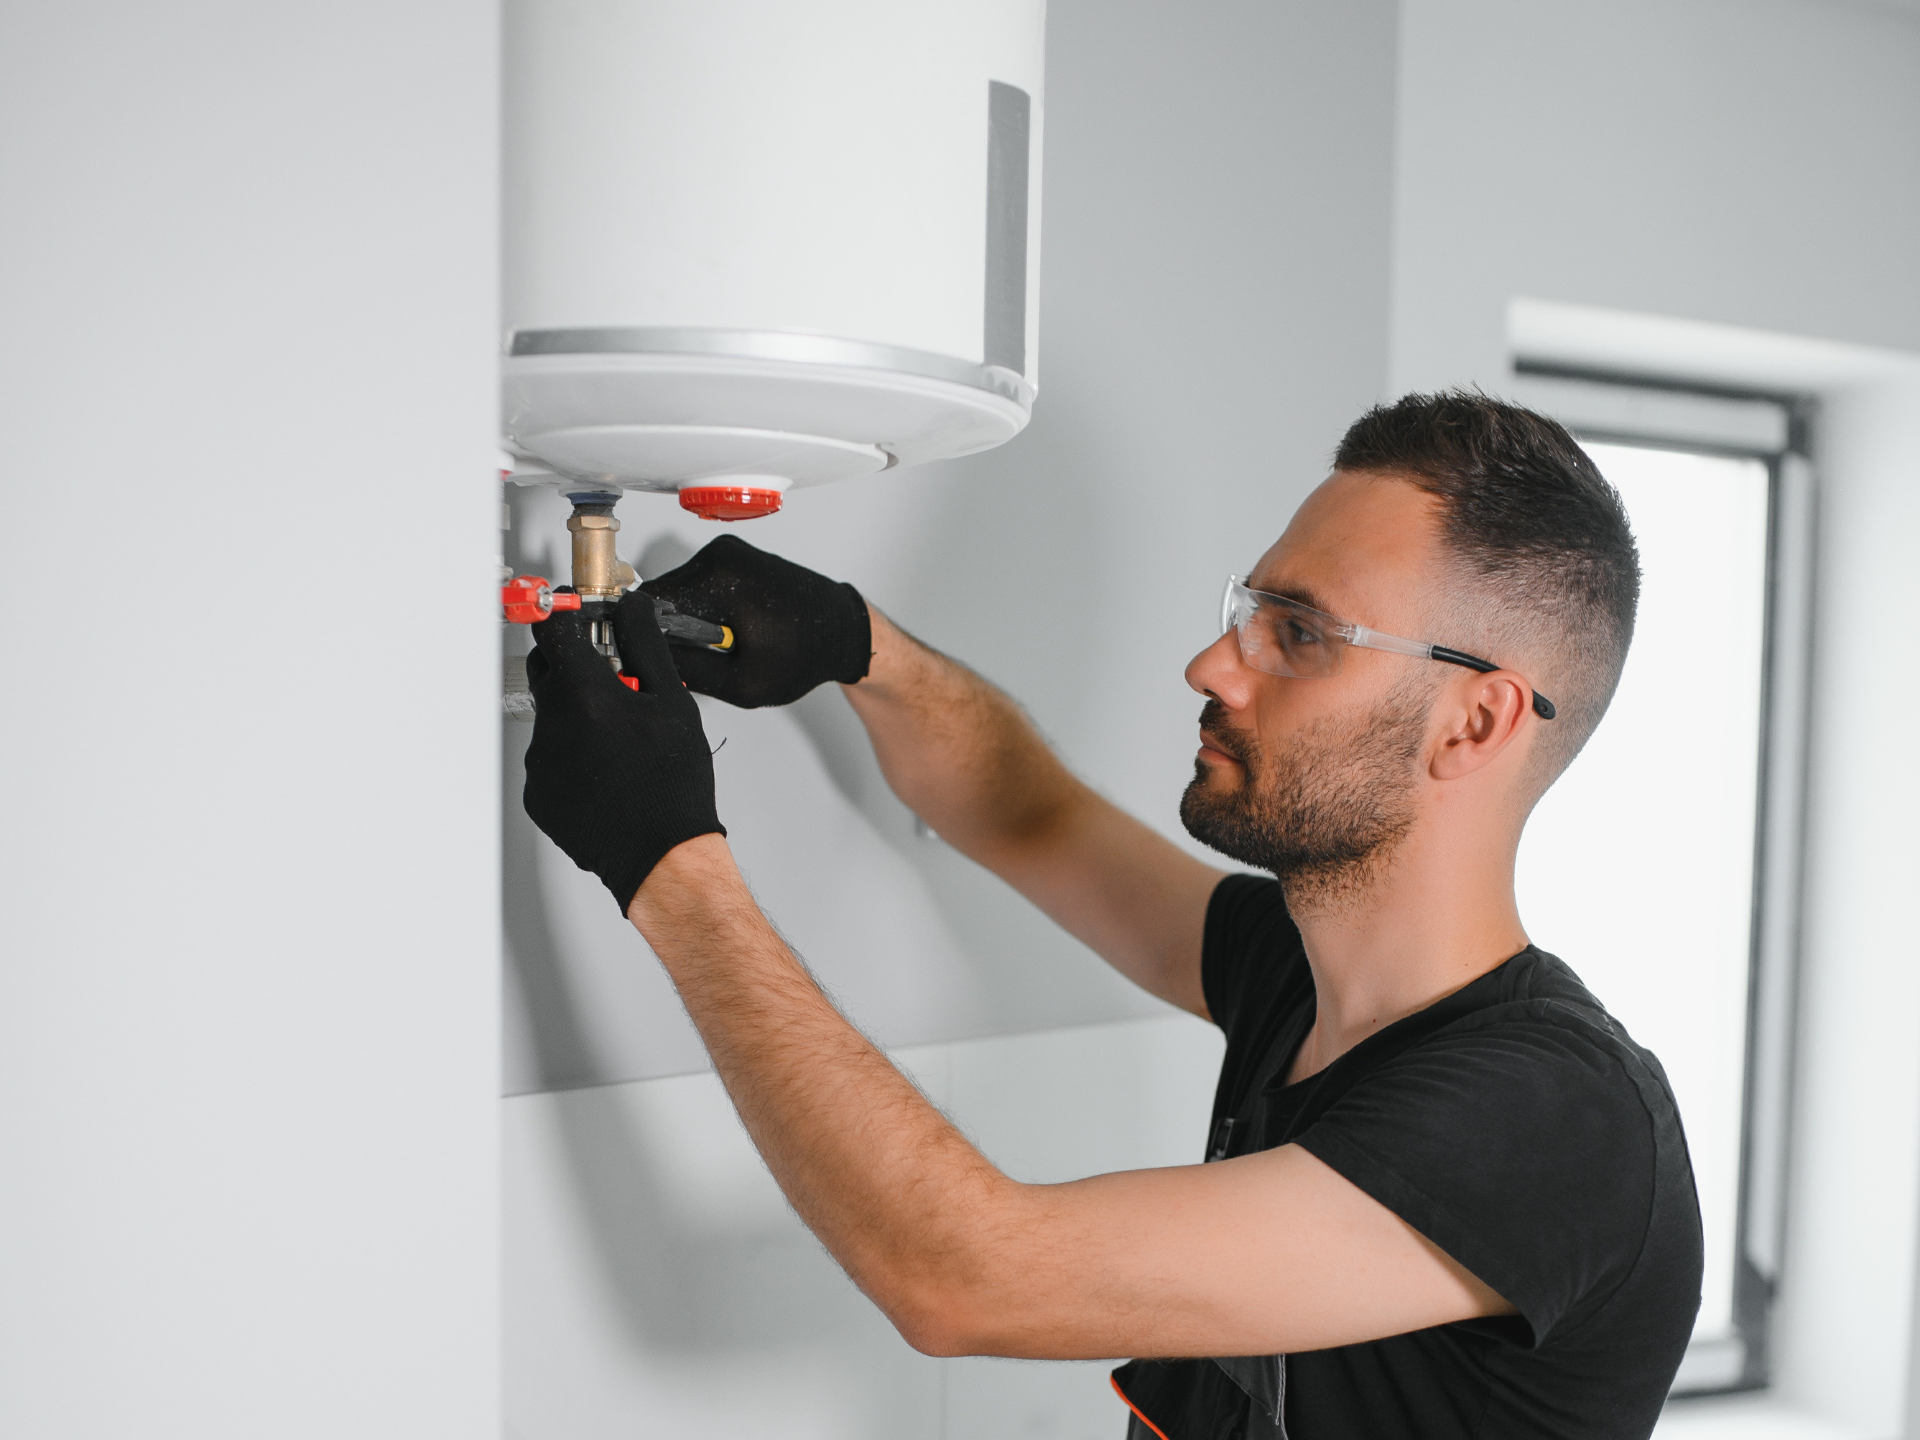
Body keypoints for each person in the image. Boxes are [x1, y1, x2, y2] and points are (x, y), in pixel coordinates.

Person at [520, 390, 1704, 1440]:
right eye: (1248, 610)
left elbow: (964, 1279)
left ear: (1477, 724)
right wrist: (857, 645)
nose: (1211, 663)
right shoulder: (1297, 976)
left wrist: (665, 860)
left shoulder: (1559, 1125)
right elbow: (1034, 821)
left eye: (1301, 634)